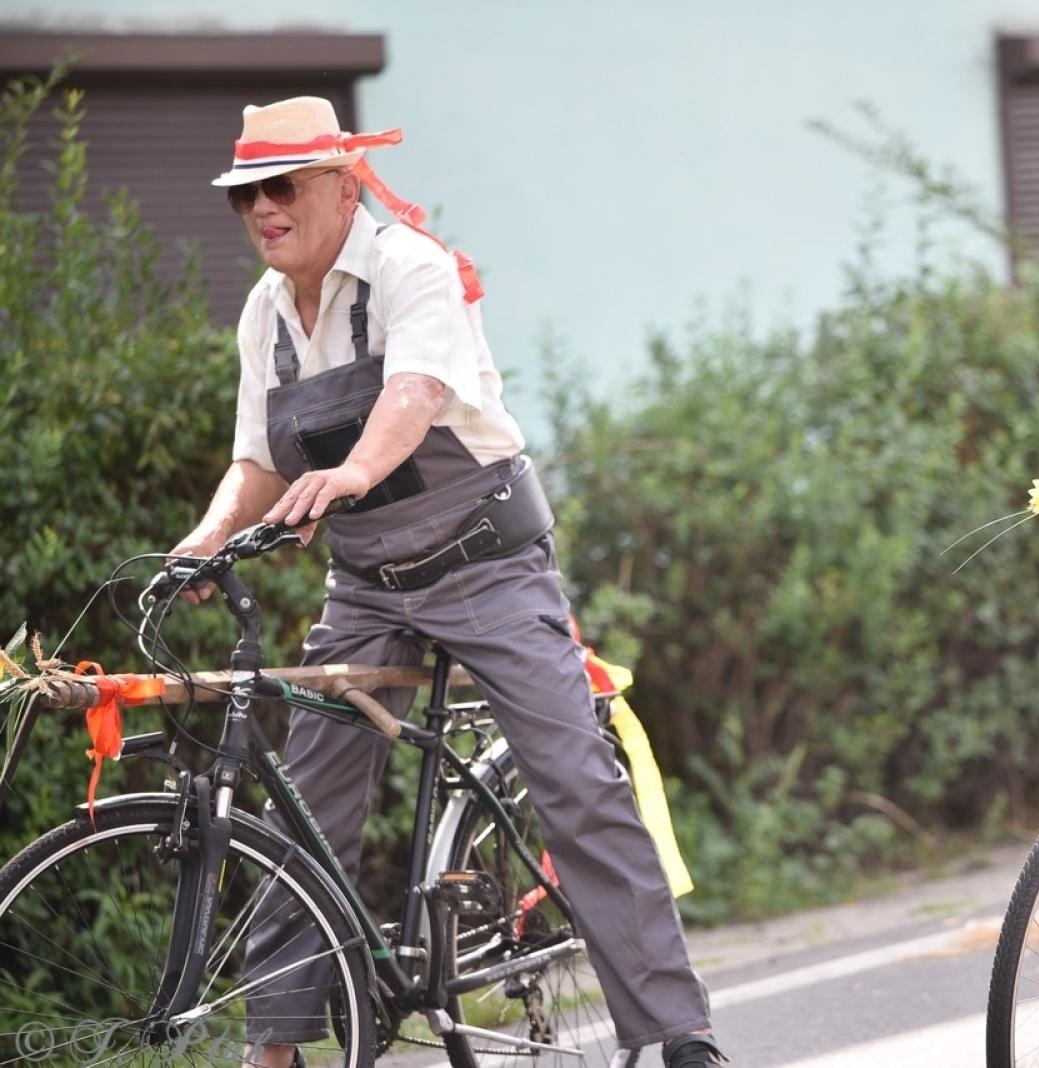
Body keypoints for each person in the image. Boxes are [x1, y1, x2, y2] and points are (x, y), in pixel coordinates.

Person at [176, 96, 730, 1068]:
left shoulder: (407, 267)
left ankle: (678, 1034)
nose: (261, 209)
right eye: (245, 196)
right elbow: (254, 461)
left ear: (344, 185)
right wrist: (205, 539)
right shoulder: (265, 313)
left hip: (485, 559)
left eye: (280, 186)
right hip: (365, 581)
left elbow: (415, 392)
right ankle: (276, 1042)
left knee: (574, 778)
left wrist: (351, 472)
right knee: (305, 792)